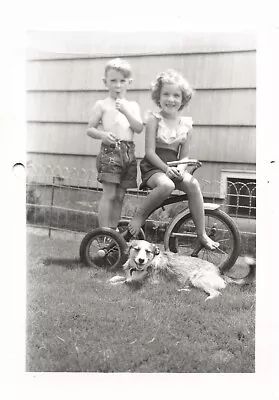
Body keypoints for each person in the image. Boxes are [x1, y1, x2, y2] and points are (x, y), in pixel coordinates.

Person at [128, 69, 219, 250]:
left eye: (176, 95)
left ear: (183, 99)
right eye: (166, 94)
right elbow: (150, 152)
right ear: (158, 97)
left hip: (174, 166)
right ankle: (139, 216)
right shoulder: (154, 120)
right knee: (167, 185)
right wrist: (166, 169)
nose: (171, 99)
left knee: (193, 184)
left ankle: (201, 234)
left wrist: (182, 169)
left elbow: (184, 155)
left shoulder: (186, 125)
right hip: (154, 167)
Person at [87, 58, 143, 229]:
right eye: (113, 81)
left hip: (128, 153)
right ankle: (104, 232)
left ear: (129, 83)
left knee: (120, 196)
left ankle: (113, 231)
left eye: (122, 81)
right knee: (109, 194)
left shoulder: (132, 105)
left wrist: (126, 111)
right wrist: (102, 135)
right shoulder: (102, 104)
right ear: (106, 82)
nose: (118, 85)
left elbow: (139, 128)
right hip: (110, 152)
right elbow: (90, 129)